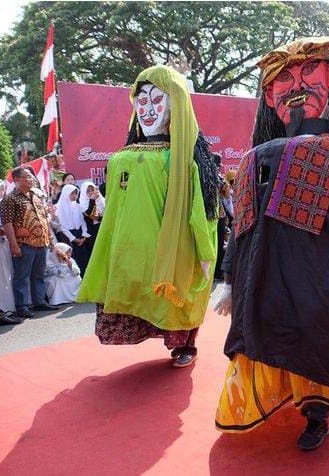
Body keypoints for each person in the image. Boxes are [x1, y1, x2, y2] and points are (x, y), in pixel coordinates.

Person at [214, 36, 329, 451]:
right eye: (283, 79)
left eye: (307, 73)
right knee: (267, 333)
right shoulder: (254, 157)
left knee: (319, 339)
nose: (295, 87)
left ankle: (317, 412)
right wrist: (229, 276)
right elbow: (241, 221)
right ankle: (282, 398)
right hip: (265, 273)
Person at [77, 65, 219, 368]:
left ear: (176, 104)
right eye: (142, 100)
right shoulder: (120, 158)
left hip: (172, 250)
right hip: (134, 253)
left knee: (177, 298)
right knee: (137, 295)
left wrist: (205, 251)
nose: (148, 109)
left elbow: (201, 211)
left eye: (158, 99)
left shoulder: (185, 162)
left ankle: (185, 347)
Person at [0, 167, 58, 319]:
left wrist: (49, 238)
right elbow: (7, 224)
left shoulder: (35, 196)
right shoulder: (9, 199)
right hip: (24, 244)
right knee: (22, 276)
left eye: (32, 176)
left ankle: (39, 301)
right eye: (28, 176)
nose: (32, 179)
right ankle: (22, 306)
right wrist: (13, 244)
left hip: (41, 242)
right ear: (17, 180)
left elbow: (43, 218)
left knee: (39, 274)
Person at [0, 179, 18, 324]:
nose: (1, 192)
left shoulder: (0, 205)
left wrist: (2, 229)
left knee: (6, 275)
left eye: (3, 189)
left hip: (3, 246)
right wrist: (0, 229)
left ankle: (5, 308)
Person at [55, 184, 92, 276]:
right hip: (68, 237)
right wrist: (74, 239)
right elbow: (62, 227)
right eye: (72, 193)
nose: (74, 195)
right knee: (73, 260)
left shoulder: (78, 206)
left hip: (80, 236)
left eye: (76, 193)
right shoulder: (58, 208)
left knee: (84, 260)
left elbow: (83, 222)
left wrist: (84, 235)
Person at [79, 181, 105, 249]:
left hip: (104, 227)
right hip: (93, 231)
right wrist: (92, 200)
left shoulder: (101, 199)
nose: (91, 192)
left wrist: (99, 218)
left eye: (92, 190)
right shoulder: (83, 203)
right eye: (88, 191)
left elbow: (105, 214)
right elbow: (90, 214)